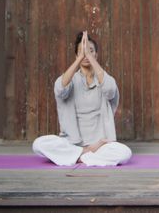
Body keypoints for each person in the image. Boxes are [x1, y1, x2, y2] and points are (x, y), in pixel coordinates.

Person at [32, 31, 132, 166]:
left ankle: (77, 158)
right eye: (82, 51)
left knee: (125, 153)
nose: (86, 54)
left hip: (100, 145)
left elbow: (110, 91)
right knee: (38, 144)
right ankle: (84, 154)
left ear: (96, 54)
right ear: (76, 55)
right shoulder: (71, 79)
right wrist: (80, 58)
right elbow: (60, 89)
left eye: (90, 51)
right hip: (72, 144)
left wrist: (90, 57)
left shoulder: (104, 79)